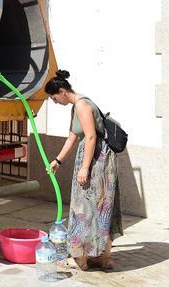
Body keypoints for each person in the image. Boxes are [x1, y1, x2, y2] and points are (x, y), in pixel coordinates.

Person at [46, 70, 122, 271]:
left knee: (86, 208)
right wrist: (58, 160)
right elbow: (72, 137)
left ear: (62, 91)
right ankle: (101, 258)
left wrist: (85, 168)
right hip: (94, 159)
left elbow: (90, 137)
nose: (55, 102)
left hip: (97, 162)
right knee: (99, 207)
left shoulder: (82, 105)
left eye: (54, 98)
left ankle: (82, 259)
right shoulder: (77, 106)